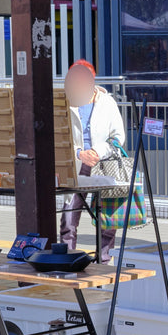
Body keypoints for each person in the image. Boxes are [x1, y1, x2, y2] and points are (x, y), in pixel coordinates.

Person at [59, 60, 125, 263]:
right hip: (76, 164)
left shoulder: (107, 102)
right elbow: (58, 136)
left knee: (107, 218)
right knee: (69, 217)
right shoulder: (62, 102)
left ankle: (103, 261)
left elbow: (118, 136)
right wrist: (79, 152)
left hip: (103, 164)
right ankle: (67, 260)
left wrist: (98, 151)